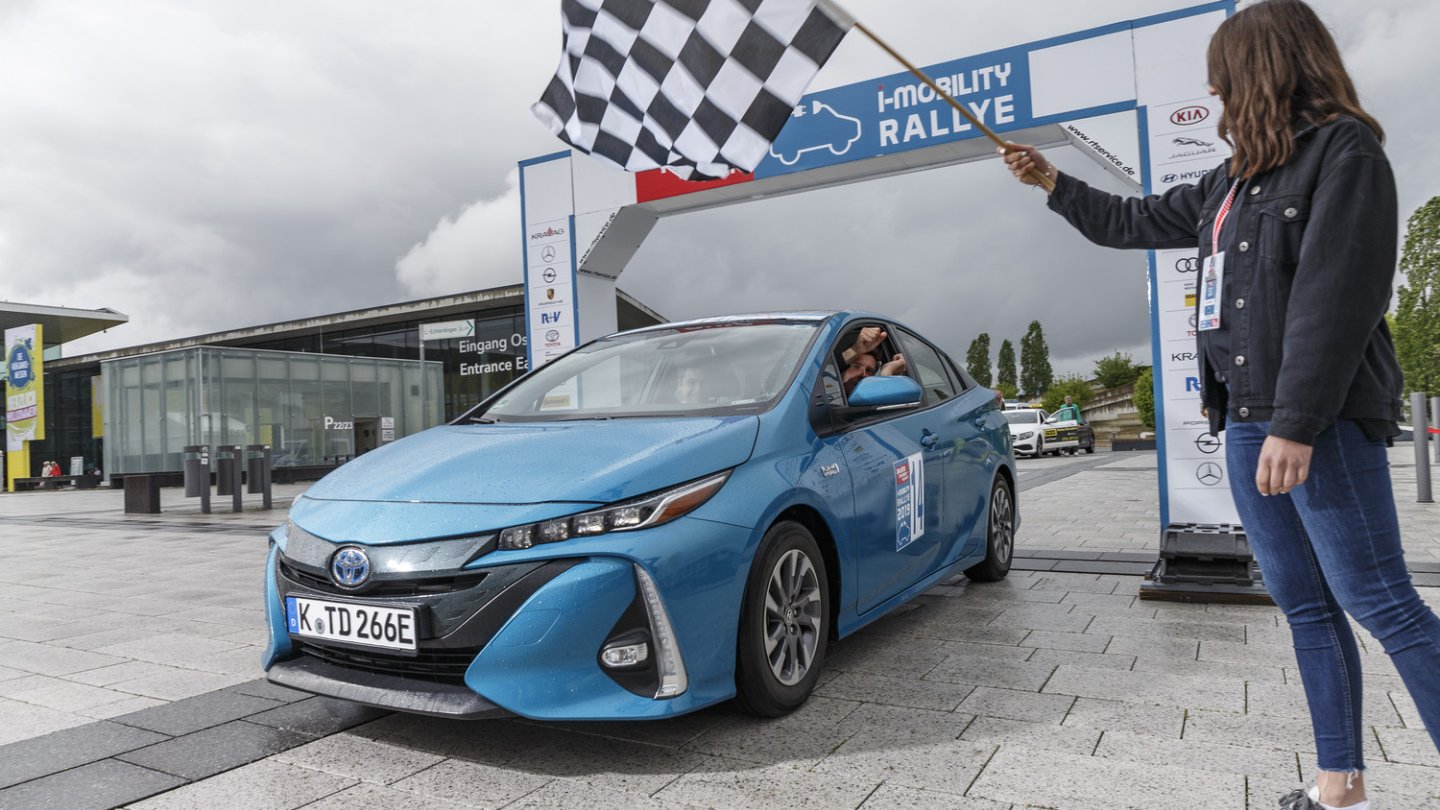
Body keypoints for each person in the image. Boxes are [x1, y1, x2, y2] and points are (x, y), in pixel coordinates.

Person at [1000, 3, 1437, 807]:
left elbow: (1336, 297)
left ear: (1262, 69)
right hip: (1243, 423)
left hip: (1320, 423)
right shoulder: (1227, 184)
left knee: (1382, 603)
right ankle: (1339, 782)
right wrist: (1053, 182)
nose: (1211, 87)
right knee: (1307, 608)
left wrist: (1297, 425)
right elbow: (1130, 221)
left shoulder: (1345, 151)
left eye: (1221, 72)